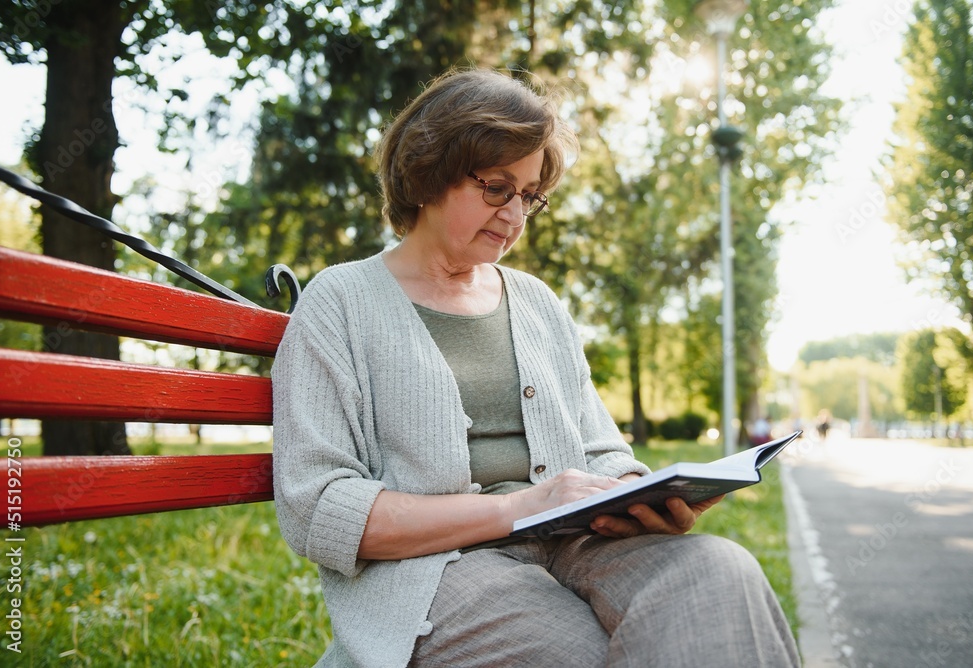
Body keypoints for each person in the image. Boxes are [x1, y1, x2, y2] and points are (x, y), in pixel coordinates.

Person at [272, 68, 799, 668]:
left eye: (528, 196)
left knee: (717, 577)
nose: (515, 214)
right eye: (497, 188)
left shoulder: (537, 302)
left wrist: (637, 493)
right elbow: (316, 508)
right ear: (428, 171)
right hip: (434, 572)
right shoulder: (340, 300)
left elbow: (600, 450)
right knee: (578, 651)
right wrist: (519, 507)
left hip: (577, 542)